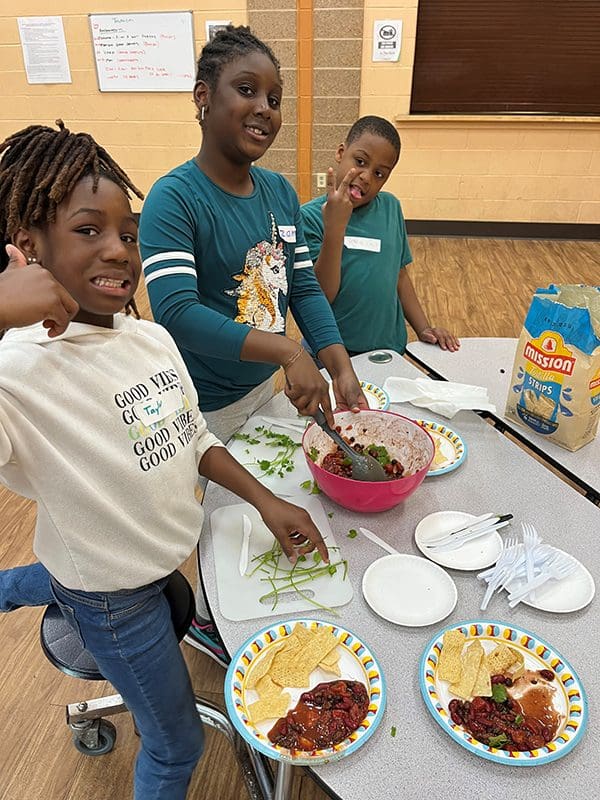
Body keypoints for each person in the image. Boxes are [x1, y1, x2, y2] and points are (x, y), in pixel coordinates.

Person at [0, 121, 329, 800]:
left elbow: (194, 438)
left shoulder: (146, 337)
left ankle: (17, 584)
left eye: (128, 231)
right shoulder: (18, 371)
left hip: (142, 550)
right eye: (89, 230)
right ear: (29, 246)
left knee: (58, 571)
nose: (119, 250)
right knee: (177, 746)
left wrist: (265, 500)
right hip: (116, 598)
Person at [138, 26, 367, 661]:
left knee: (267, 508)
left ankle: (237, 609)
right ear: (202, 98)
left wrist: (335, 360)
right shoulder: (173, 198)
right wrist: (290, 353)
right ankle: (211, 624)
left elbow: (301, 288)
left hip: (258, 391)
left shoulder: (278, 195)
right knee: (218, 524)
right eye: (247, 90)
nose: (265, 108)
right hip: (194, 408)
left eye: (275, 97)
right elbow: (178, 312)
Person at [301, 115, 460, 357]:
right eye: (361, 161)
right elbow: (321, 296)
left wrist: (424, 328)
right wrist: (334, 228)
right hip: (331, 354)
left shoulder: (390, 208)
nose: (366, 176)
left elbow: (400, 276)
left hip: (388, 351)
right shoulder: (310, 217)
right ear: (341, 152)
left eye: (379, 174)